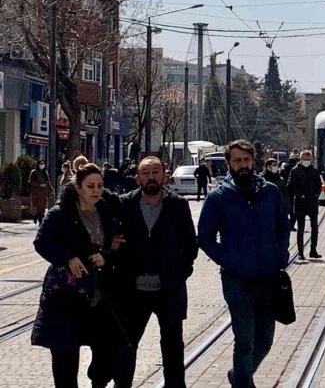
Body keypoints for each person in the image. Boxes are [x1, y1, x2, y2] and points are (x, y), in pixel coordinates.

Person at [198, 140, 290, 387]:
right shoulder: (218, 197)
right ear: (229, 164)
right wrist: (228, 259)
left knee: (265, 341)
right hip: (236, 278)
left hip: (268, 277)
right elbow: (204, 237)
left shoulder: (270, 192)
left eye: (246, 160)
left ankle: (239, 375)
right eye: (237, 160)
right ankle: (243, 382)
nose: (242, 165)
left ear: (254, 162)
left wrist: (282, 254)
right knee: (244, 338)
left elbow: (283, 225)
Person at [31, 163, 128, 388]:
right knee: (65, 359)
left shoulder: (107, 209)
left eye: (100, 185)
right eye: (90, 186)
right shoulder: (61, 212)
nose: (96, 190)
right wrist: (68, 257)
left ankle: (97, 381)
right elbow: (41, 242)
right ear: (78, 187)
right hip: (65, 295)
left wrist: (106, 255)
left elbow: (116, 242)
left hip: (97, 293)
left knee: (111, 348)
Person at [117, 156, 198, 388]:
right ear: (137, 178)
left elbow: (190, 245)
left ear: (165, 175)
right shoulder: (124, 205)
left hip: (168, 291)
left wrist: (181, 271)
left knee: (173, 348)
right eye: (145, 173)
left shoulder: (178, 205)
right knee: (126, 348)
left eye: (155, 172)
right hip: (133, 292)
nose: (151, 177)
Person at [287, 150, 323, 260]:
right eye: (305, 159)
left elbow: (319, 185)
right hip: (300, 203)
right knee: (301, 228)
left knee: (315, 228)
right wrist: (299, 194)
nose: (307, 161)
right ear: (301, 159)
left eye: (308, 159)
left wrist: (317, 194)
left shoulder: (314, 171)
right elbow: (290, 185)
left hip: (312, 203)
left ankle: (313, 250)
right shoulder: (295, 170)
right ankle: (300, 252)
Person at [29, 159, 53, 225]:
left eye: (43, 164)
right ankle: (38, 218)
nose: (42, 165)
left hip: (43, 193)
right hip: (36, 193)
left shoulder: (45, 173)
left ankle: (40, 219)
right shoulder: (34, 172)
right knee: (37, 207)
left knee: (43, 208)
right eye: (41, 164)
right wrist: (39, 185)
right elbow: (31, 182)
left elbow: (48, 182)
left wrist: (51, 191)